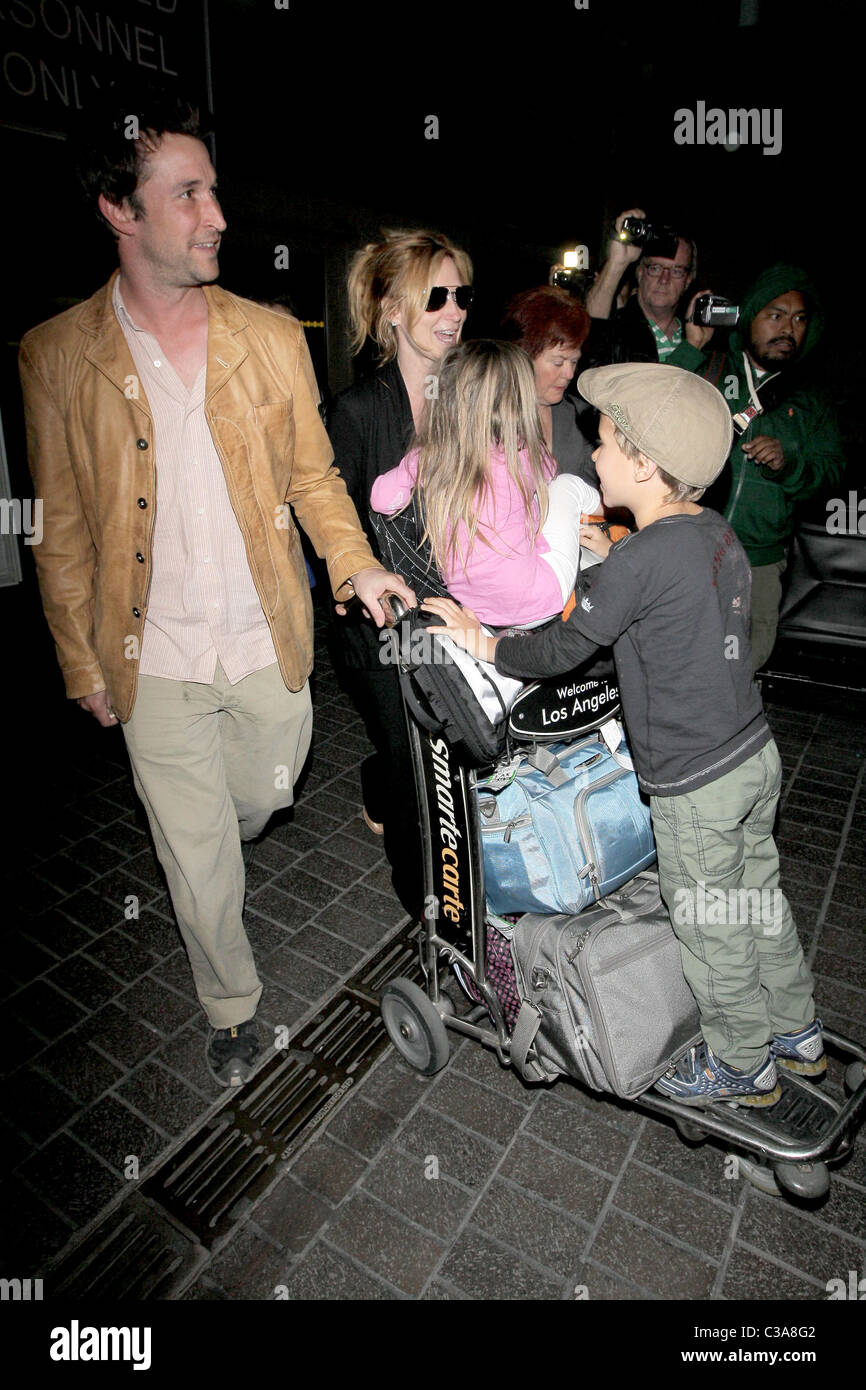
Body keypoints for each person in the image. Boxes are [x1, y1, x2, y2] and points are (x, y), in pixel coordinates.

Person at [18, 97, 413, 1089]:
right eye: (186, 193)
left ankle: (218, 836)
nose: (216, 214)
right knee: (194, 857)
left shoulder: (268, 338)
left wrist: (354, 562)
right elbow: (58, 525)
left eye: (214, 189)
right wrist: (79, 659)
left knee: (265, 790)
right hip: (148, 653)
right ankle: (230, 1005)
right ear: (119, 207)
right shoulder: (57, 355)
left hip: (262, 636)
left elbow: (315, 480)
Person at [424, 362, 823, 1106]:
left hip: (695, 783)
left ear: (643, 464)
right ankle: (795, 1032)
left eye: (603, 443)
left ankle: (743, 1064)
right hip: (752, 755)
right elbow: (679, 602)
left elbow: (558, 649)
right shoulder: (715, 535)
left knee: (710, 923)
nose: (593, 455)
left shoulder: (637, 562)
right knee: (756, 897)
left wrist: (484, 641)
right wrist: (618, 563)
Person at [326, 229, 472, 918]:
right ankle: (432, 910)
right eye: (434, 296)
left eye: (461, 295)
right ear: (391, 309)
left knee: (450, 742)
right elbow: (331, 525)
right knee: (423, 768)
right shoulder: (355, 413)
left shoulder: (468, 400)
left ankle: (380, 777)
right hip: (382, 625)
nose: (454, 310)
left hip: (455, 610)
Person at [370, 340, 601, 626]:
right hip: (540, 598)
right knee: (566, 485)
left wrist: (408, 475)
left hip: (473, 611)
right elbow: (549, 476)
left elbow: (381, 500)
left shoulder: (428, 457)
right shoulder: (522, 451)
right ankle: (612, 517)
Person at [695, 265, 845, 671]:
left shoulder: (810, 398)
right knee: (678, 646)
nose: (788, 329)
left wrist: (789, 464)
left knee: (747, 656)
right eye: (775, 315)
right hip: (692, 544)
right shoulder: (709, 368)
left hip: (759, 558)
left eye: (799, 319)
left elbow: (832, 473)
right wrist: (691, 349)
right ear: (750, 317)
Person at [582, 207, 712, 371]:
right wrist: (617, 263)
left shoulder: (703, 338)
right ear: (640, 272)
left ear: (688, 280)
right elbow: (590, 331)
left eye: (676, 271)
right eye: (655, 268)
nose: (664, 279)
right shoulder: (617, 331)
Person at [499, 286, 598, 486]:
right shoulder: (489, 415)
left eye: (574, 362)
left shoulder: (581, 417)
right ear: (523, 354)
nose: (570, 374)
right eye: (558, 362)